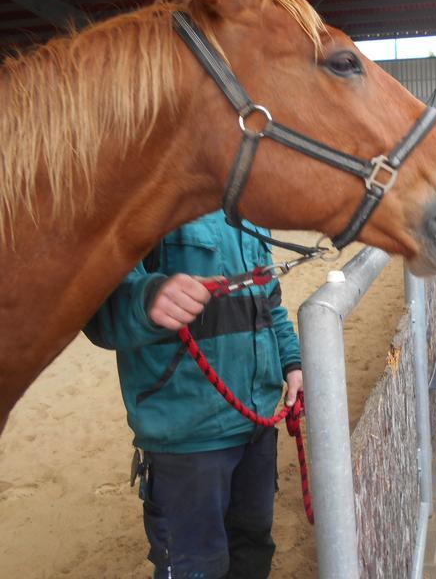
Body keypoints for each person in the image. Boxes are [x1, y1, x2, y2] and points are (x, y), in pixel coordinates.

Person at [84, 210, 302, 579]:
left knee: (253, 550)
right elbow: (99, 311)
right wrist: (148, 298)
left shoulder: (251, 206)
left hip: (257, 425)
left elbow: (271, 306)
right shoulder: (148, 200)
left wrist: (292, 363)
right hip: (188, 439)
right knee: (195, 568)